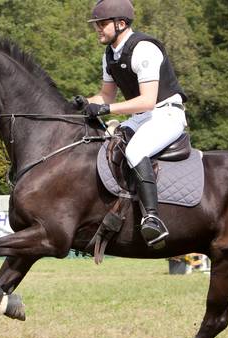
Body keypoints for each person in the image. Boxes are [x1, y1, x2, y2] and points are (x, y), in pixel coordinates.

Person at [73, 0, 188, 247]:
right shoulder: (110, 55)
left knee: (135, 150)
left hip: (166, 114)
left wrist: (106, 109)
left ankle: (153, 219)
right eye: (97, 25)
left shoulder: (144, 49)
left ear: (121, 23)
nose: (98, 29)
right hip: (143, 117)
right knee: (107, 146)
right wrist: (79, 104)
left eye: (102, 24)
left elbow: (147, 101)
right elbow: (106, 96)